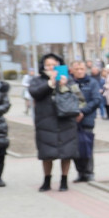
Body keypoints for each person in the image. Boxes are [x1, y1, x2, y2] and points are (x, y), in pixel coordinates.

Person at [28, 53, 83, 192]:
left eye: (54, 65)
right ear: (43, 66)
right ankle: (47, 180)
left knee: (67, 153)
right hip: (46, 122)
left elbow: (79, 97)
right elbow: (35, 93)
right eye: (48, 65)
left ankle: (64, 180)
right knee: (47, 154)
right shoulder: (38, 80)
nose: (51, 67)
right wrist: (50, 84)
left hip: (66, 121)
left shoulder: (69, 80)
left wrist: (64, 85)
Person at [70, 60, 103, 182]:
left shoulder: (92, 83)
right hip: (71, 120)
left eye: (81, 69)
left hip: (87, 119)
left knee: (86, 146)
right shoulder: (68, 83)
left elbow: (96, 100)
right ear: (72, 70)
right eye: (77, 69)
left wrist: (83, 112)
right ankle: (80, 172)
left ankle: (89, 172)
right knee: (75, 148)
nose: (79, 71)